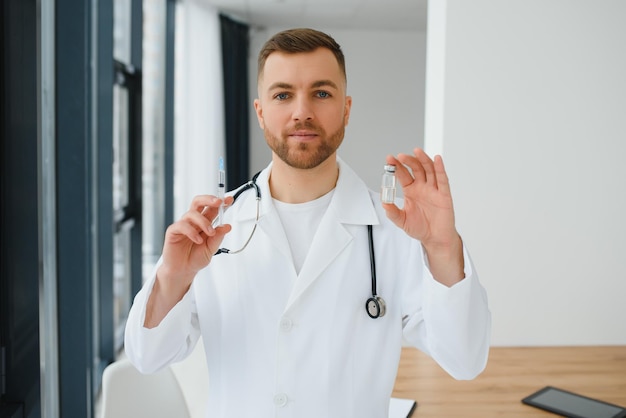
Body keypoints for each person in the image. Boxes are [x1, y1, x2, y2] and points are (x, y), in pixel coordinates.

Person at [125, 28, 491, 417]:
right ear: (260, 111)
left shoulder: (394, 233)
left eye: (321, 93)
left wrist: (442, 247)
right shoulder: (212, 232)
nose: (302, 111)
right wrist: (172, 278)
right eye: (283, 95)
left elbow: (465, 360)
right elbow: (148, 357)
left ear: (346, 108)